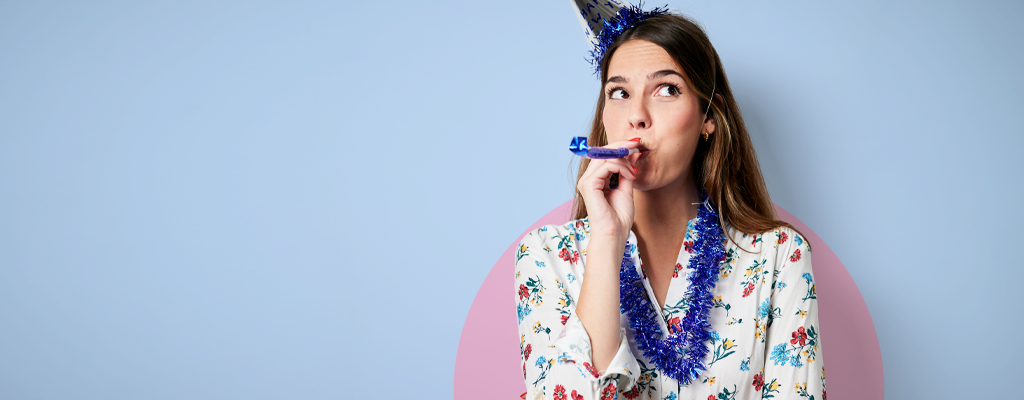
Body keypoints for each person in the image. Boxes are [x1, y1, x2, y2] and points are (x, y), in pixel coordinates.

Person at [514, 4, 825, 400]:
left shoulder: (778, 257)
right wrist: (608, 238)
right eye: (620, 92)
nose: (637, 116)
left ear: (708, 118)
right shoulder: (544, 256)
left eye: (666, 90)